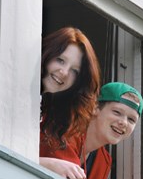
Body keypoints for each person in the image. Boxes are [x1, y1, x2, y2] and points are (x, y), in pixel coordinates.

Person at [40, 27, 101, 161]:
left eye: (74, 71)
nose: (64, 72)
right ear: (47, 53)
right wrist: (46, 164)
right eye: (60, 60)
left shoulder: (57, 119)